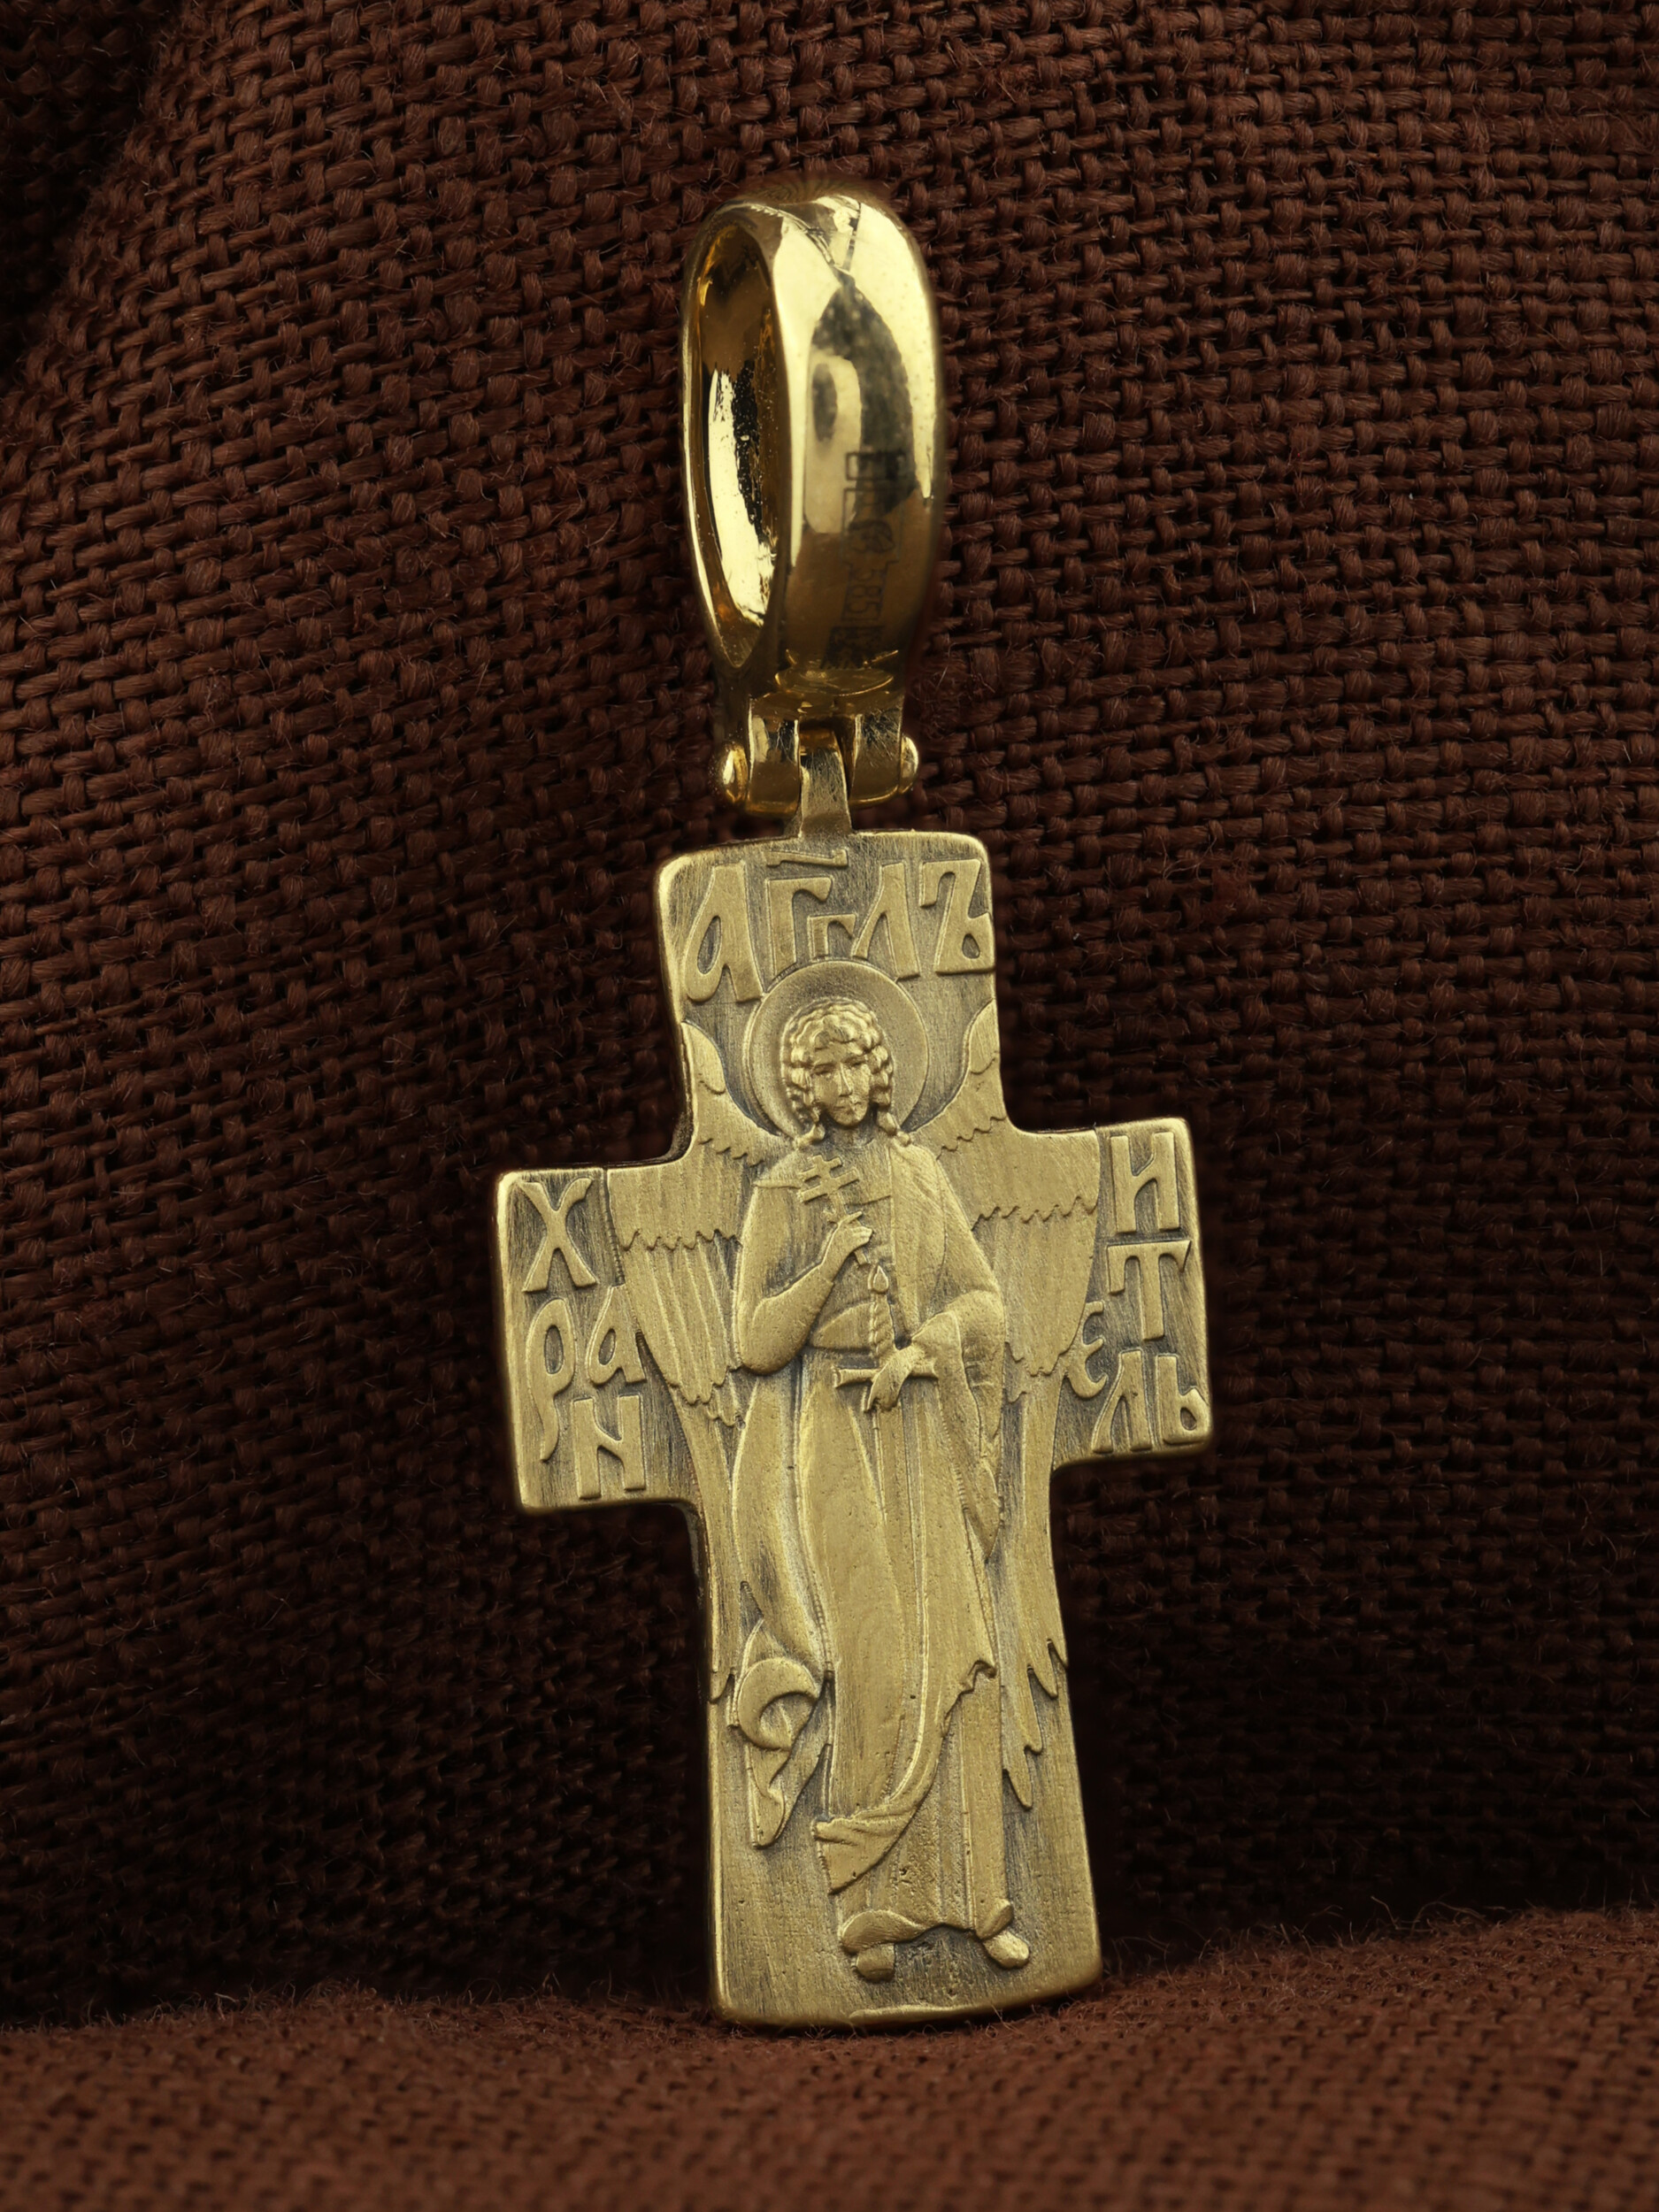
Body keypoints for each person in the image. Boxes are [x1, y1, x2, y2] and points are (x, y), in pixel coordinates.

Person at [729, 995, 1029, 1982]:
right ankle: (868, 1909)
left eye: (858, 1062)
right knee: (876, 1655)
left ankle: (981, 1900)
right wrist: (823, 1270)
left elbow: (983, 1301)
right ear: (800, 1088)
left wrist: (920, 1351)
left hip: (921, 1425)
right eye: (824, 1070)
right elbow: (753, 1342)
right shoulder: (782, 1190)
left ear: (881, 1071)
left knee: (960, 1645)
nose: (845, 1083)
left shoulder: (920, 1173)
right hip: (833, 1439)